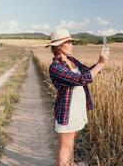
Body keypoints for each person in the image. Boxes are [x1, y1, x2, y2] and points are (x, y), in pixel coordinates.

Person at [45, 29, 109, 166]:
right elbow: (81, 79)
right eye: (69, 42)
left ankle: (72, 164)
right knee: (65, 147)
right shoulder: (55, 67)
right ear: (59, 46)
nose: (72, 45)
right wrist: (101, 63)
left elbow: (87, 72)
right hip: (67, 111)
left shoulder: (71, 60)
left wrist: (100, 63)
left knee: (71, 142)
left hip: (77, 107)